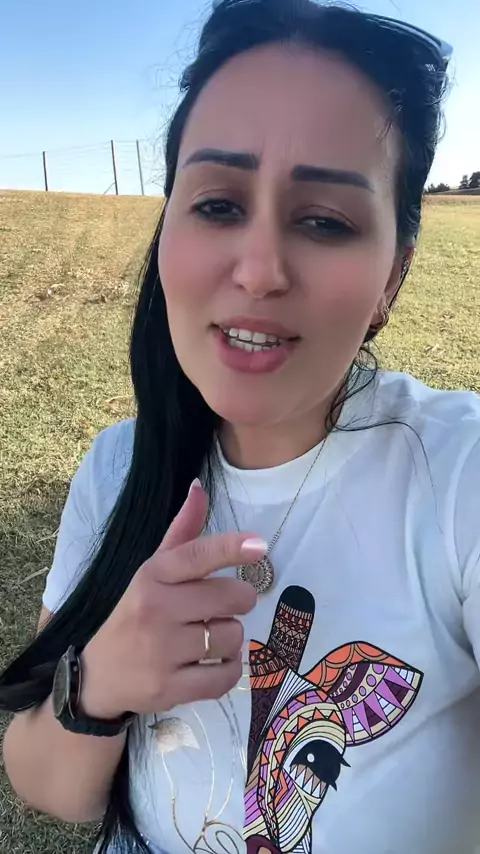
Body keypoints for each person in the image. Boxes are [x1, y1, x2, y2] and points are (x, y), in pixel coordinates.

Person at [1, 1, 479, 853]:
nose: (259, 271)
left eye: (325, 221)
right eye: (219, 205)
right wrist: (102, 684)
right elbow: (50, 788)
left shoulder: (458, 478)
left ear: (392, 279)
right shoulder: (118, 470)